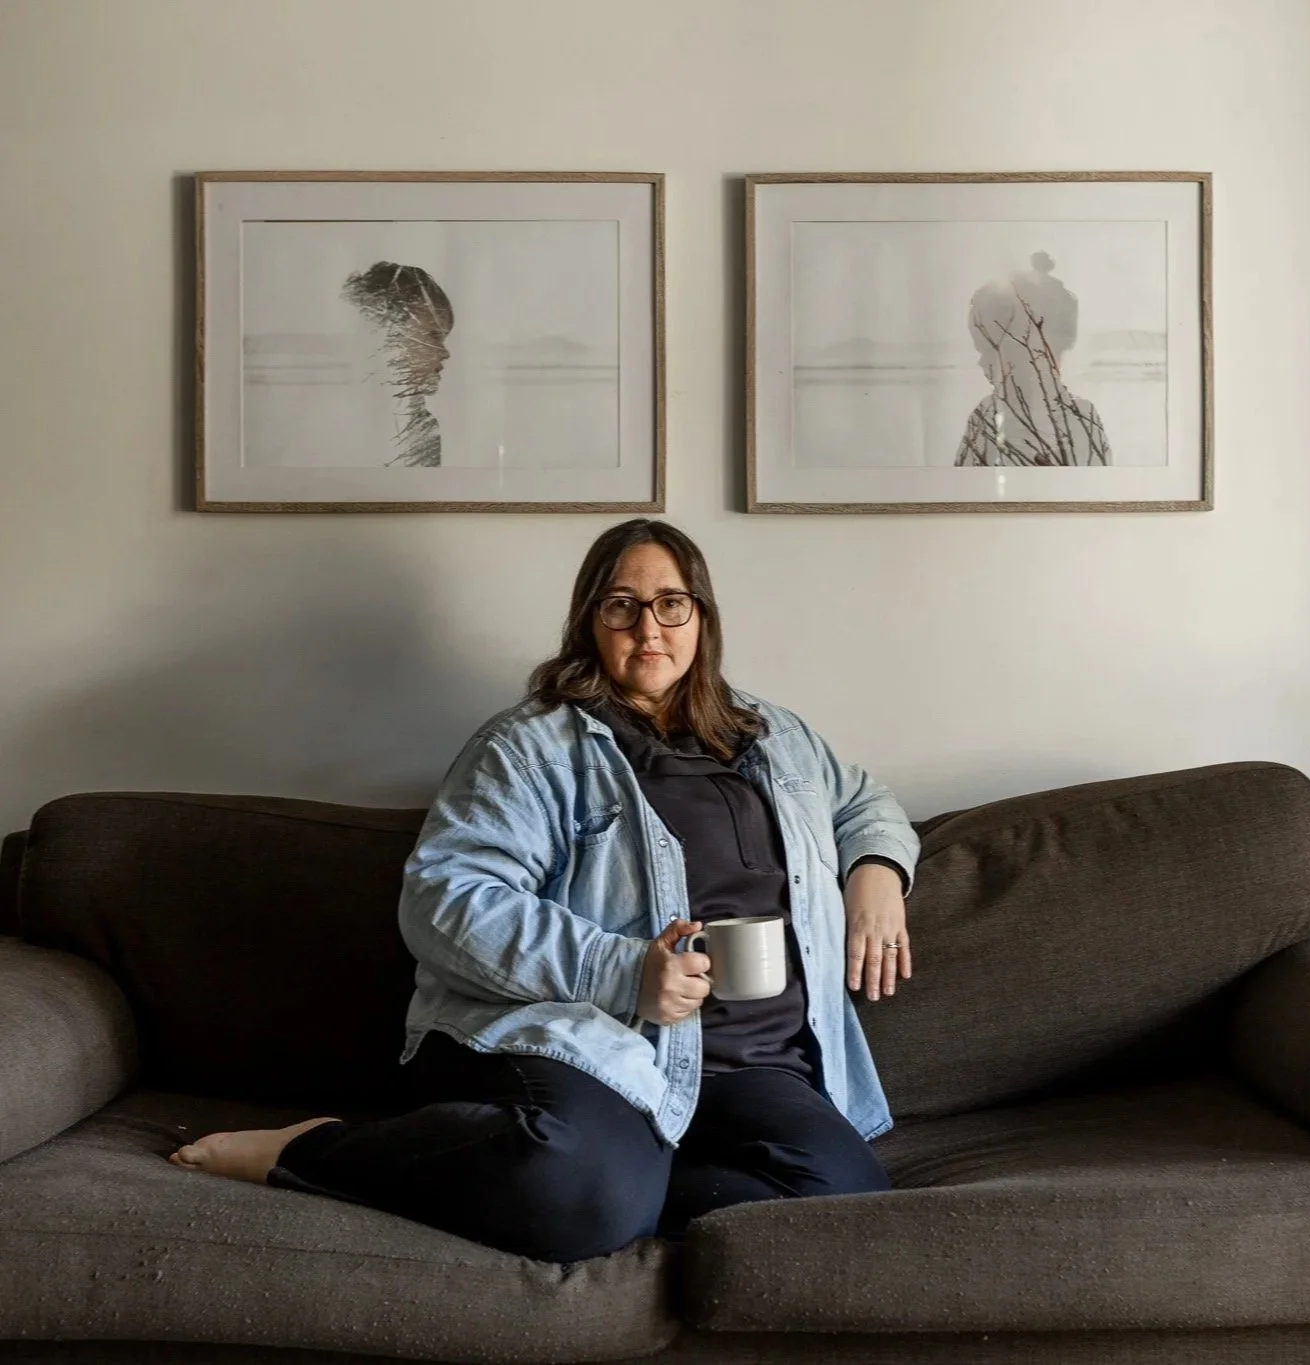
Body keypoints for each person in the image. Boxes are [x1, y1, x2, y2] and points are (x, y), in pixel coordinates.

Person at [170, 518, 920, 1263]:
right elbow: (445, 899)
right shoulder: (529, 748)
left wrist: (878, 874)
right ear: (589, 621)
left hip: (755, 1067)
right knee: (581, 1192)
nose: (648, 627)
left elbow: (864, 804)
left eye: (671, 603)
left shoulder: (775, 735)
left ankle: (624, 1184)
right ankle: (314, 1149)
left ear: (702, 616)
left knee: (841, 1205)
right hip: (593, 1043)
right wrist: (626, 971)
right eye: (621, 605)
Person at [954, 251, 1112, 468]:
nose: (983, 364)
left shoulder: (1082, 418)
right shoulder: (985, 417)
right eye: (984, 351)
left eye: (992, 352)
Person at [341, 261, 454, 468]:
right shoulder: (338, 419)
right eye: (433, 336)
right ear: (386, 332)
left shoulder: (422, 429)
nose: (445, 353)